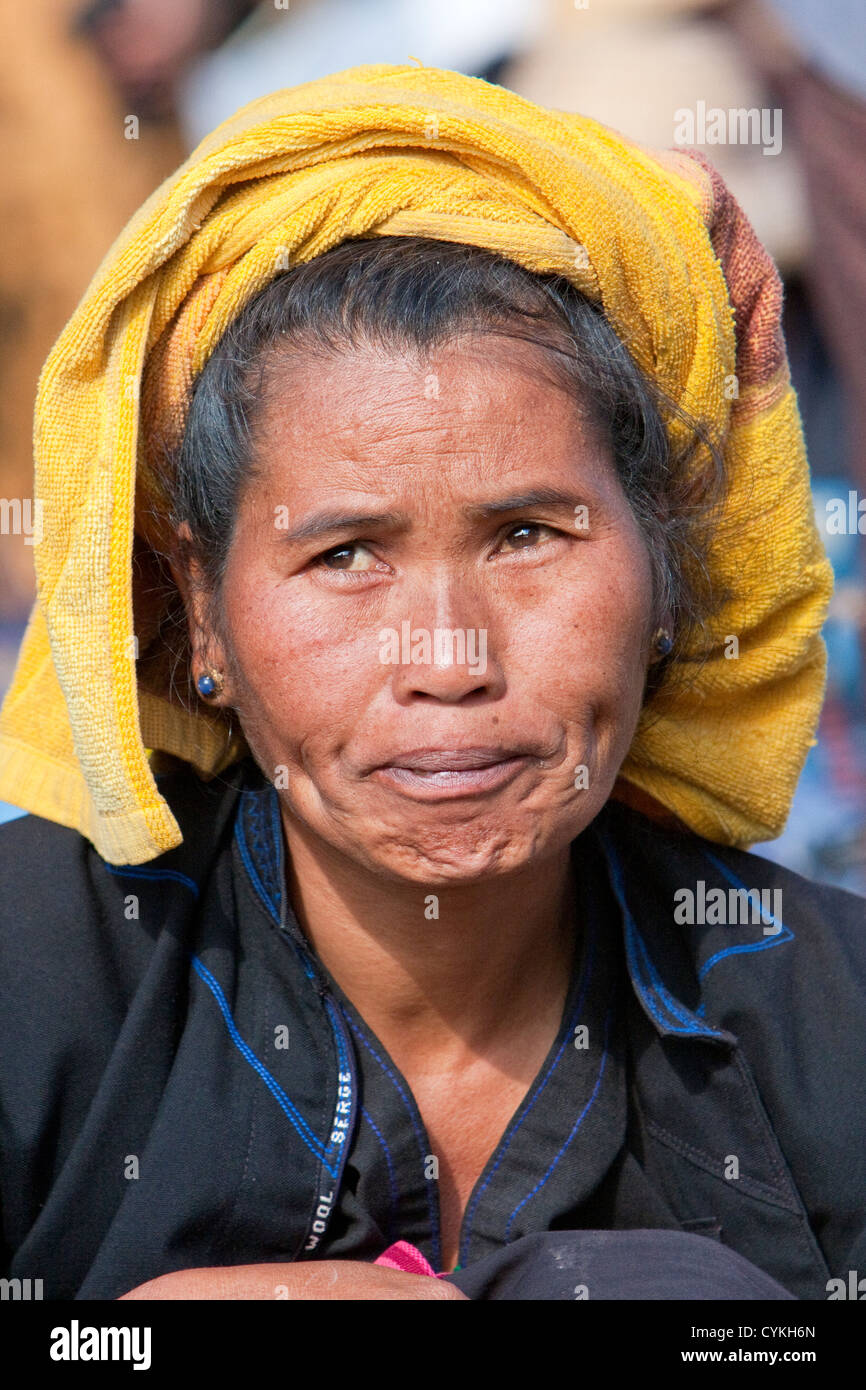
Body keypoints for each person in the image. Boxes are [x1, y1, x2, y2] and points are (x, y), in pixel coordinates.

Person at [0, 63, 862, 1302]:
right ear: (201, 608)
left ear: (667, 568)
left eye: (527, 535)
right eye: (345, 554)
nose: (449, 662)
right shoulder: (37, 983)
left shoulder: (826, 1029)